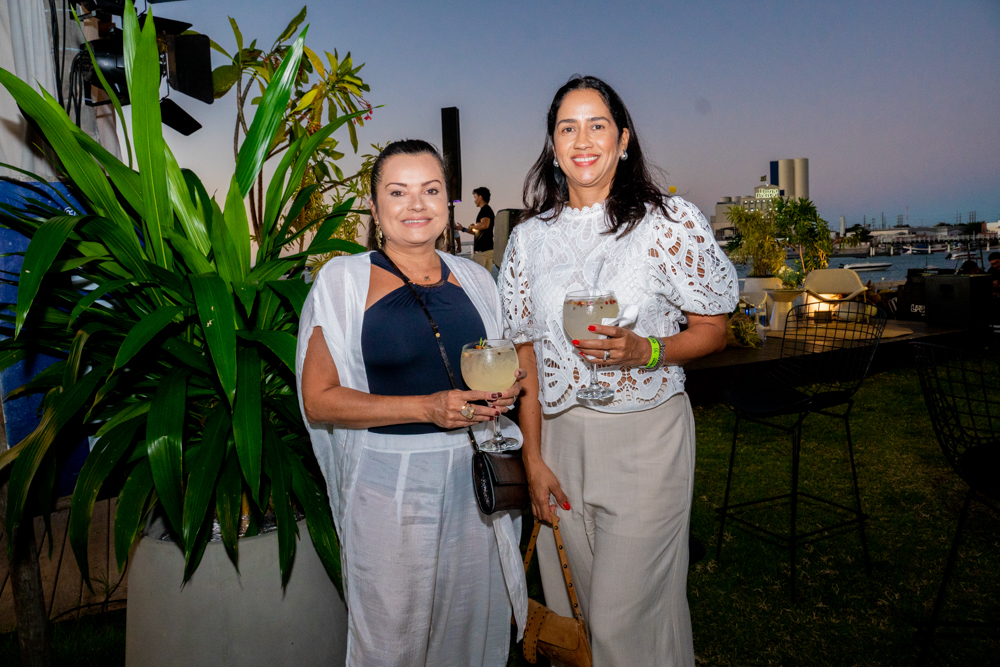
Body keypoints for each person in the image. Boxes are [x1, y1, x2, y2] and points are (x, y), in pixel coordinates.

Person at [500, 76, 737, 666]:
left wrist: (646, 351)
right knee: (579, 615)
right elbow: (525, 354)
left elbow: (714, 329)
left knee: (620, 623)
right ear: (553, 146)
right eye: (567, 127)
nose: (583, 140)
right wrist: (532, 457)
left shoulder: (668, 222)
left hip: (647, 440)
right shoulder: (529, 241)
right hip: (559, 441)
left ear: (623, 139)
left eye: (597, 124)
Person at [296, 139, 527, 666]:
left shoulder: (476, 280)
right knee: (391, 637)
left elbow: (499, 360)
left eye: (430, 190)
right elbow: (319, 401)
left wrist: (508, 390)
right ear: (375, 209)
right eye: (397, 192)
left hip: (473, 481)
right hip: (390, 488)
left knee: (469, 627)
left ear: (448, 205)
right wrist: (425, 408)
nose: (416, 205)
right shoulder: (343, 282)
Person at [460, 187, 496, 270]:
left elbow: (484, 225)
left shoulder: (485, 210)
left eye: (475, 197)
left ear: (480, 197)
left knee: (479, 278)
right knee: (486, 277)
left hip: (482, 251)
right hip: (488, 249)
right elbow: (479, 231)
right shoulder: (487, 210)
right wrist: (463, 229)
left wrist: (473, 226)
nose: (474, 200)